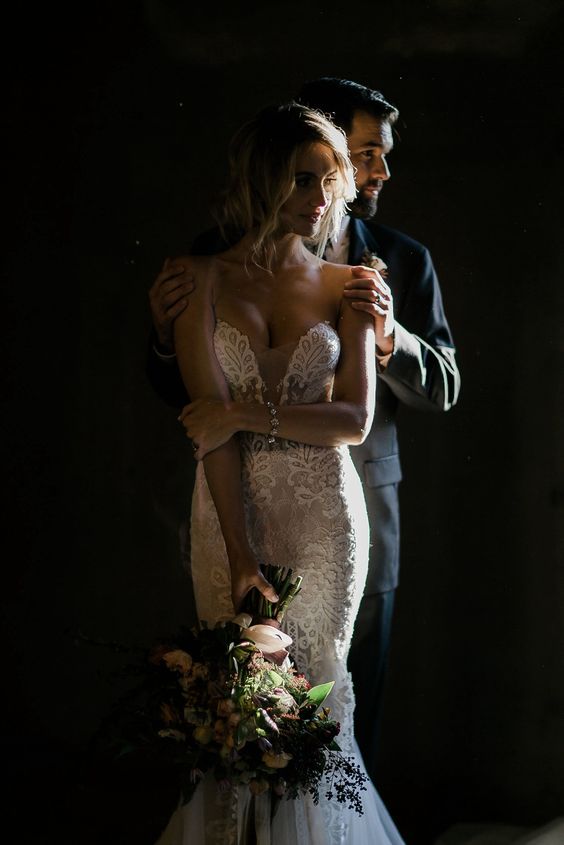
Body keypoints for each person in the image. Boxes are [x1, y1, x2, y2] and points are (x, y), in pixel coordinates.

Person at [147, 78, 460, 780]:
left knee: (339, 714)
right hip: (233, 496)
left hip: (346, 505)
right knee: (236, 710)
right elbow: (193, 395)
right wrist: (166, 336)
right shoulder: (212, 258)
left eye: (362, 164)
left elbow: (440, 384)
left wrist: (387, 336)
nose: (376, 172)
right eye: (368, 152)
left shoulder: (396, 261)